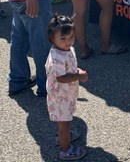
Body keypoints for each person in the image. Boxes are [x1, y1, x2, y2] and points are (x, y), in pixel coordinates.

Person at [46, 15, 87, 161]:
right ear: (52, 38)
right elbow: (61, 77)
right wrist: (79, 76)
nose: (68, 41)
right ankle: (66, 150)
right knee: (65, 123)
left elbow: (69, 67)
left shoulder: (67, 49)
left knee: (63, 120)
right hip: (60, 96)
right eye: (63, 38)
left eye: (71, 37)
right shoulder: (56, 57)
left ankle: (62, 137)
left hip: (65, 94)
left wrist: (77, 71)